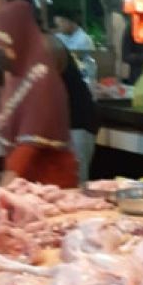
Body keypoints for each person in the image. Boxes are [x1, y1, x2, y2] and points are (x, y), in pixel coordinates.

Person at [0, 0, 77, 188]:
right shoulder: (15, 76)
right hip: (27, 186)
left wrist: (4, 188)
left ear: (18, 40)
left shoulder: (41, 77)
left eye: (2, 45)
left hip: (52, 185)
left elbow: (30, 142)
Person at [44, 34, 100, 182]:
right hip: (63, 125)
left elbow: (42, 89)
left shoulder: (48, 45)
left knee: (74, 187)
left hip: (77, 123)